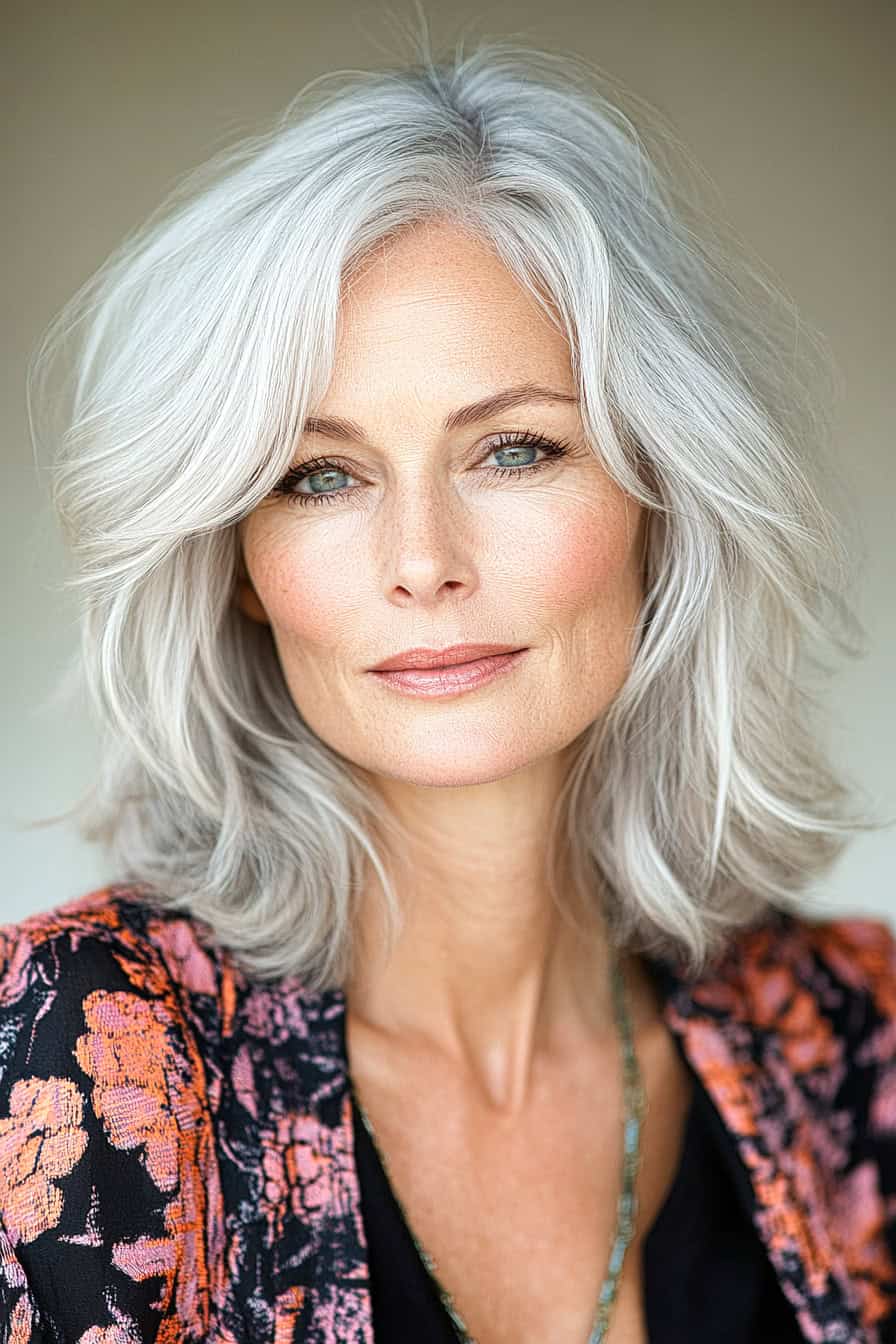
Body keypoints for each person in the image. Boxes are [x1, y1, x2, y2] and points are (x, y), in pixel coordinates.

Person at [2, 31, 894, 1344]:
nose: (422, 563)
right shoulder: (82, 1047)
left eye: (514, 450)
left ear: (668, 496)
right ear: (238, 562)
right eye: (322, 475)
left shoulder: (854, 1039)